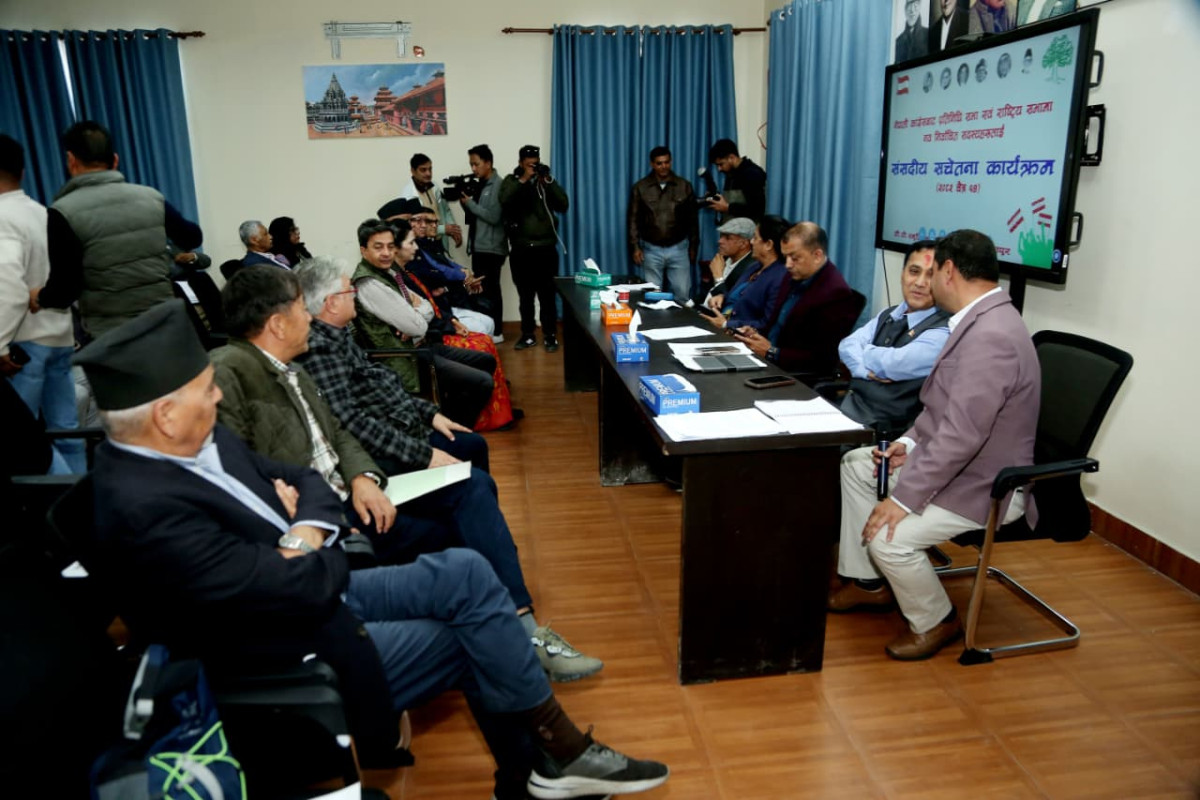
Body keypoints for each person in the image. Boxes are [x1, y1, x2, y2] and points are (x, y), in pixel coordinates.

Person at [74, 301, 669, 800]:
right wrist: (308, 537)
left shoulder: (200, 444)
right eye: (207, 391)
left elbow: (304, 481)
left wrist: (300, 534)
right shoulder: (142, 507)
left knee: (465, 572)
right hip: (284, 644)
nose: (218, 397)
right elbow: (293, 579)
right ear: (165, 414)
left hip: (316, 589)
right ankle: (543, 767)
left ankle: (555, 757)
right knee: (475, 637)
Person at [294, 257, 599, 680]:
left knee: (470, 446)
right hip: (376, 458)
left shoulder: (338, 336)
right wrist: (421, 454)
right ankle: (521, 624)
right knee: (472, 486)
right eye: (349, 293)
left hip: (398, 432)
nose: (355, 299)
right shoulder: (320, 349)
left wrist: (430, 414)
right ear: (330, 303)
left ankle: (489, 560)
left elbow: (381, 388)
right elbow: (352, 424)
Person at [828, 230, 1040, 661]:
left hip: (985, 484)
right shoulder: (976, 319)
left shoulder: (991, 336)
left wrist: (902, 501)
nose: (925, 282)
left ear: (949, 270)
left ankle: (936, 620)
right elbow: (941, 407)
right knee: (857, 464)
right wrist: (908, 442)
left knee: (890, 537)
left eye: (932, 270)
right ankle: (868, 582)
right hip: (959, 463)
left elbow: (963, 435)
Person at [29, 120, 202, 339]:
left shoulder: (62, 212)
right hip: (164, 325)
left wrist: (39, 297)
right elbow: (192, 237)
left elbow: (65, 290)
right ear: (115, 160)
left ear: (71, 160)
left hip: (113, 336)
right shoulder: (151, 198)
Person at [351, 218, 496, 427]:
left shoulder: (389, 273)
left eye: (390, 247)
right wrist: (413, 319)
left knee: (486, 361)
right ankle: (453, 430)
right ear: (363, 250)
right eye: (378, 247)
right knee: (482, 382)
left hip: (420, 344)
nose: (386, 253)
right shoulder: (370, 283)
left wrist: (413, 317)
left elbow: (427, 308)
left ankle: (445, 419)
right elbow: (418, 325)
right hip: (404, 357)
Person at [0, 133, 82, 473]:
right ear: (22, 171)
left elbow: (9, 286)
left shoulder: (1, 216)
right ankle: (80, 496)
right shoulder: (43, 213)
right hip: (58, 335)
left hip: (22, 345)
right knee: (67, 432)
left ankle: (49, 503)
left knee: (23, 442)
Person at [837, 240, 950, 438]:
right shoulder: (889, 314)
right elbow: (846, 345)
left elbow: (894, 364)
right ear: (903, 274)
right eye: (914, 271)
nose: (920, 283)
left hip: (885, 433)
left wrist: (865, 350)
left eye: (930, 275)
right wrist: (865, 371)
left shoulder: (944, 329)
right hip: (848, 411)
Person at [734, 222, 862, 378]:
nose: (788, 265)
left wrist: (772, 352)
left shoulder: (835, 293)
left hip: (792, 374)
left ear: (817, 255)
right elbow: (775, 323)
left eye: (794, 258)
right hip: (765, 358)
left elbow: (823, 359)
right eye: (785, 257)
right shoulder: (792, 275)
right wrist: (755, 333)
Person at [499, 145, 568, 352]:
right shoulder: (511, 181)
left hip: (546, 249)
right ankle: (528, 334)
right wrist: (524, 179)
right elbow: (504, 200)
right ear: (521, 163)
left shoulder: (545, 181)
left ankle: (550, 335)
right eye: (529, 164)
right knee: (525, 296)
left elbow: (563, 204)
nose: (532, 167)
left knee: (547, 296)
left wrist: (548, 182)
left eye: (535, 163)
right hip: (522, 250)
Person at [410, 207, 495, 336]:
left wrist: (466, 274)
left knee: (488, 321)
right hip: (439, 308)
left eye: (435, 222)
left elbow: (447, 265)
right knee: (481, 327)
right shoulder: (416, 250)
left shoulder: (430, 244)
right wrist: (463, 276)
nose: (433, 225)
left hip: (449, 299)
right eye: (428, 221)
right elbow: (440, 273)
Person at [627, 146, 699, 298]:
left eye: (666, 162)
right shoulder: (641, 187)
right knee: (652, 295)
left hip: (679, 248)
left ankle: (681, 315)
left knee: (682, 293)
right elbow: (633, 219)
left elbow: (692, 219)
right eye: (659, 163)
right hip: (651, 248)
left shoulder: (684, 186)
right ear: (652, 164)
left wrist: (694, 246)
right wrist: (635, 247)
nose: (663, 166)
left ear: (671, 162)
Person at [702, 215, 789, 335]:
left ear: (768, 244)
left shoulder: (779, 278)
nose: (751, 242)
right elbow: (738, 296)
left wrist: (726, 324)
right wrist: (722, 297)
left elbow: (766, 324)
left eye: (755, 238)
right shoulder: (754, 267)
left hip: (741, 338)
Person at [458, 144, 508, 341]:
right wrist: (465, 204)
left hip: (492, 248)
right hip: (479, 246)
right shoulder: (480, 184)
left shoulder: (498, 185)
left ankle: (497, 332)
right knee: (482, 290)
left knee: (492, 290)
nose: (473, 168)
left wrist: (470, 204)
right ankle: (487, 329)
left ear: (488, 163)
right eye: (471, 164)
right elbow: (475, 216)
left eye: (476, 164)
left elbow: (494, 217)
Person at [400, 153, 462, 251]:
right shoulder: (408, 195)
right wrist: (443, 229)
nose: (428, 173)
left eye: (430, 169)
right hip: (423, 246)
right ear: (413, 171)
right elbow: (415, 227)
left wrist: (453, 229)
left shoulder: (434, 186)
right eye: (423, 170)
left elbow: (445, 209)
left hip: (439, 242)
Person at [695, 217, 757, 309]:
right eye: (721, 236)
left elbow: (730, 303)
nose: (720, 241)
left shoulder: (751, 269)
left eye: (727, 238)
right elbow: (705, 293)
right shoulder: (722, 259)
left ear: (744, 244)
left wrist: (718, 278)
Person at [706, 139, 767, 224]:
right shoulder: (730, 174)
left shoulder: (752, 174)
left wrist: (728, 208)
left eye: (721, 164)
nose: (719, 169)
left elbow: (757, 209)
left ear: (732, 157)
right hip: (730, 229)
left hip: (749, 230)